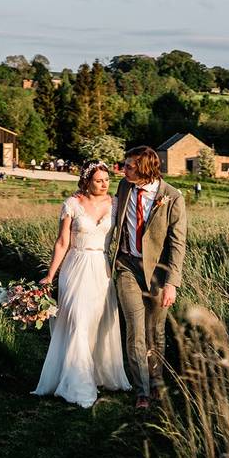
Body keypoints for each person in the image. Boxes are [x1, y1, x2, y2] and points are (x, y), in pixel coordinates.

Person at [33, 161, 132, 407]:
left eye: (107, 180)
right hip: (76, 266)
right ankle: (77, 384)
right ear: (87, 181)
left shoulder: (116, 204)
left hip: (101, 268)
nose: (104, 184)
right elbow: (61, 243)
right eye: (98, 180)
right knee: (77, 318)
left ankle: (98, 373)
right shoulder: (72, 204)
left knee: (97, 322)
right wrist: (50, 275)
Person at [111, 146, 187, 409]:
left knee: (155, 331)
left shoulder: (172, 197)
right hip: (127, 266)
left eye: (129, 166)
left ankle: (156, 381)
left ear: (145, 168)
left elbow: (178, 244)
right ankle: (141, 389)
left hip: (158, 273)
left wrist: (171, 284)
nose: (124, 170)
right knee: (135, 328)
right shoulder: (123, 187)